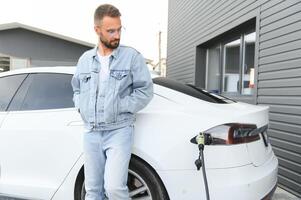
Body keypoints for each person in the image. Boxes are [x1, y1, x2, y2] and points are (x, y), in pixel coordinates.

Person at [71, 4, 153, 200]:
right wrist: (81, 107)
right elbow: (76, 89)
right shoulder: (84, 60)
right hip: (91, 132)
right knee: (92, 191)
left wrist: (121, 106)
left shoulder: (132, 57)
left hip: (119, 130)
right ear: (97, 30)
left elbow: (145, 90)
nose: (117, 35)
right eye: (111, 31)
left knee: (115, 188)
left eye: (119, 29)